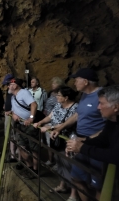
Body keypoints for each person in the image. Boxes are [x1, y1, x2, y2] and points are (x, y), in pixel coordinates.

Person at [50, 68, 105, 201]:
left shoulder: (103, 96)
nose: (74, 83)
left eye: (77, 80)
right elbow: (78, 114)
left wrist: (86, 140)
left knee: (98, 185)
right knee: (76, 178)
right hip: (79, 143)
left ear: (85, 81)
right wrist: (61, 127)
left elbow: (109, 127)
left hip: (96, 145)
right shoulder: (85, 95)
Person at [34, 86, 78, 201]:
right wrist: (41, 122)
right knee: (60, 163)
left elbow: (66, 124)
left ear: (66, 98)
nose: (56, 97)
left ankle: (74, 194)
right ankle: (63, 185)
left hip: (67, 141)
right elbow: (50, 116)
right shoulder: (59, 105)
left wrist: (50, 127)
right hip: (56, 139)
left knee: (71, 166)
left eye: (59, 95)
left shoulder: (75, 109)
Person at [67, 85, 119, 179]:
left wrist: (82, 147)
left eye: (101, 103)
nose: (98, 107)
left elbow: (115, 155)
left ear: (115, 107)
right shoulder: (112, 120)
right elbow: (103, 140)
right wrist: (80, 143)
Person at [9, 78, 38, 179]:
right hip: (20, 125)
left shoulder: (24, 93)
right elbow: (14, 110)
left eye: (10, 84)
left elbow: (34, 104)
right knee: (21, 146)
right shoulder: (13, 97)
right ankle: (29, 166)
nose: (8, 86)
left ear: (15, 85)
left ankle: (35, 170)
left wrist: (31, 118)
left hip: (29, 125)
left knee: (34, 148)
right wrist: (13, 115)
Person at [43, 76, 65, 165]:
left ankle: (57, 162)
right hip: (48, 120)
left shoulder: (62, 96)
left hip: (55, 122)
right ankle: (51, 160)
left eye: (55, 83)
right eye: (52, 83)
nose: (52, 85)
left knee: (56, 143)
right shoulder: (50, 93)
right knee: (49, 142)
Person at [1, 73, 18, 163]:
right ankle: (12, 155)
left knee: (14, 135)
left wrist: (12, 111)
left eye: (8, 84)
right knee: (10, 135)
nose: (7, 86)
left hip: (13, 115)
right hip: (8, 115)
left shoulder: (18, 92)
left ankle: (17, 154)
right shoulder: (9, 92)